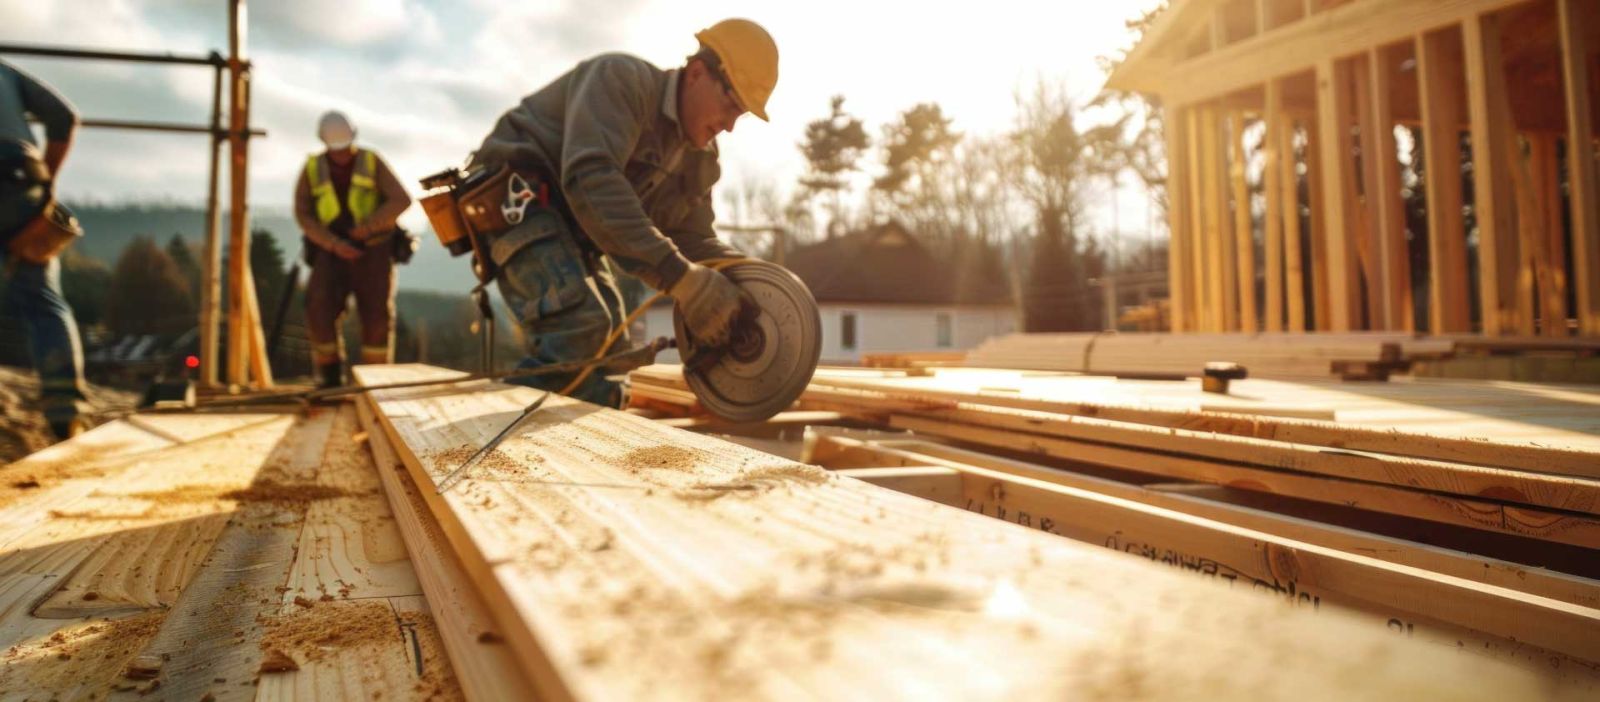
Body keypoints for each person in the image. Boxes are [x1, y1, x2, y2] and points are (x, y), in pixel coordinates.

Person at [466, 18, 778, 408]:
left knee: (613, 342)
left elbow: (694, 240)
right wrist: (684, 280)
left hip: (572, 227)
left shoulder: (700, 158)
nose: (730, 125)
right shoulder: (621, 81)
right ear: (697, 73)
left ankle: (587, 436)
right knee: (580, 326)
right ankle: (494, 444)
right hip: (517, 197)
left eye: (742, 114)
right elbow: (590, 179)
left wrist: (749, 279)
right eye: (730, 103)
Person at [0, 59, 88, 439]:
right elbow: (64, 117)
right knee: (41, 301)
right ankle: (64, 413)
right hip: (21, 182)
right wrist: (46, 187)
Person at [293, 110, 412, 388]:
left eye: (345, 149)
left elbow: (400, 200)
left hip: (374, 251)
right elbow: (304, 215)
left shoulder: (371, 162)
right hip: (331, 251)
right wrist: (332, 243)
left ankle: (376, 382)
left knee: (376, 316)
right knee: (318, 306)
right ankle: (330, 378)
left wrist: (368, 227)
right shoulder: (312, 169)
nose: (342, 155)